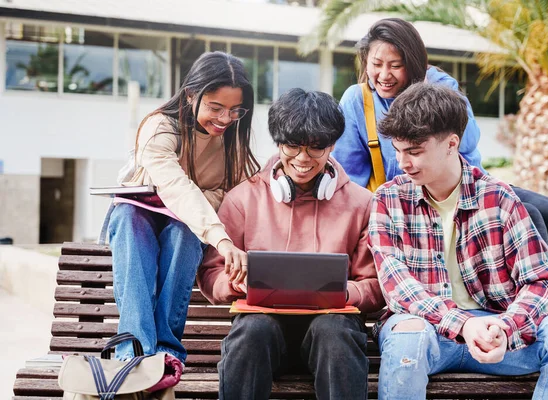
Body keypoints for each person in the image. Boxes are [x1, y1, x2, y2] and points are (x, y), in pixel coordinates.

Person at [332, 17, 548, 327]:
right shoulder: (357, 102)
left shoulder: (440, 86)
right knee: (532, 213)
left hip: (462, 186)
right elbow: (351, 172)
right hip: (401, 198)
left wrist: (430, 101)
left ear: (413, 63)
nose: (384, 75)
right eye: (376, 64)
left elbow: (467, 147)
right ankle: (539, 321)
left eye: (396, 65)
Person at [369, 82, 548, 400]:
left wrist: (507, 327)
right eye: (399, 151)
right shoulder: (388, 199)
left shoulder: (498, 196)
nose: (403, 163)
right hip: (427, 330)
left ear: (451, 144)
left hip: (498, 334)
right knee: (408, 336)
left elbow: (545, 282)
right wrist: (463, 324)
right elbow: (398, 289)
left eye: (415, 151)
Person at [197, 88, 385, 400]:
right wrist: (236, 283)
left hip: (331, 329)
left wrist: (344, 292)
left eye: (315, 149)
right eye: (292, 146)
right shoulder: (243, 199)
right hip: (264, 330)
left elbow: (376, 284)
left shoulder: (361, 204)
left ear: (333, 145)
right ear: (278, 141)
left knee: (336, 332)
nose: (302, 159)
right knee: (252, 331)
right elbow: (210, 274)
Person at [107, 52, 261, 364]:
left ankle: (165, 353)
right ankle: (133, 353)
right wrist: (220, 236)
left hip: (187, 230)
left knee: (184, 229)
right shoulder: (158, 127)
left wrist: (202, 203)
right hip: (138, 221)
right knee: (128, 217)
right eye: (215, 108)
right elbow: (176, 185)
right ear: (191, 94)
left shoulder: (232, 140)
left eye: (235, 111)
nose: (224, 119)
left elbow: (233, 193)